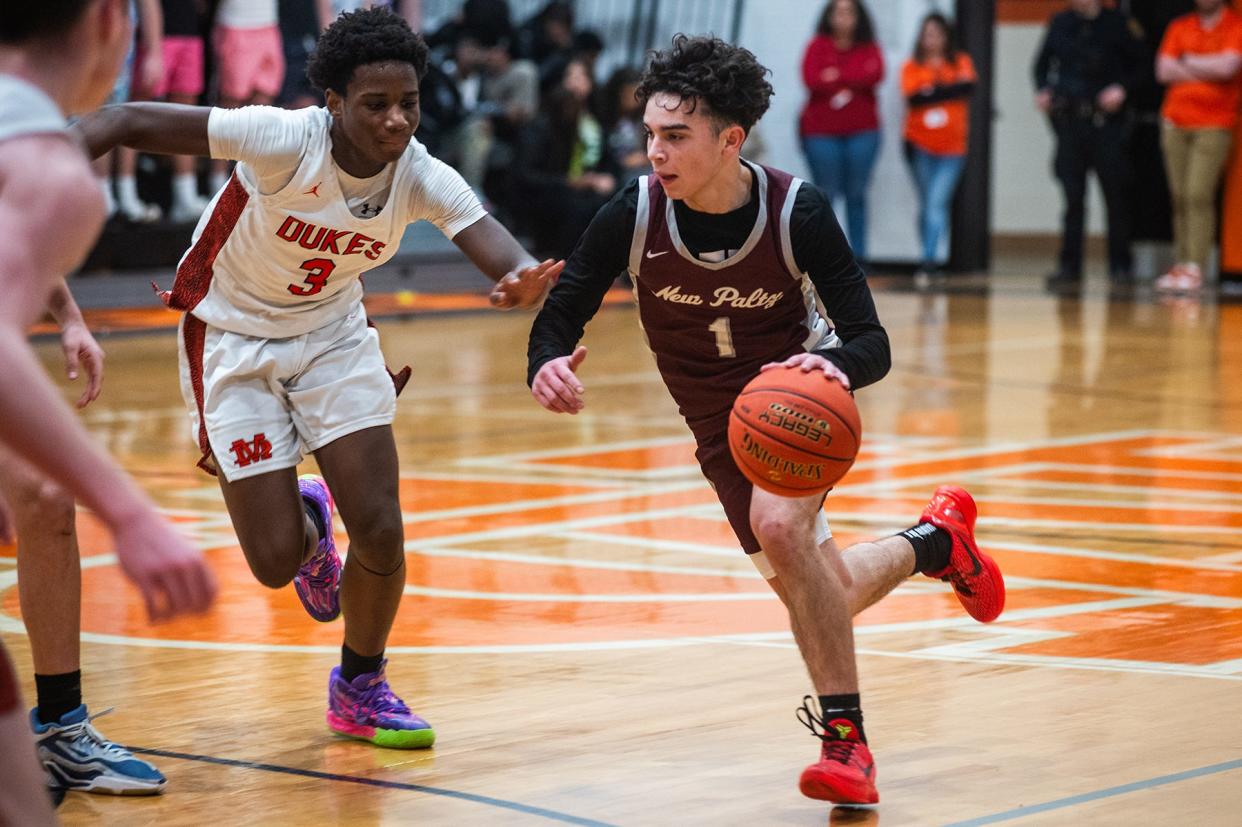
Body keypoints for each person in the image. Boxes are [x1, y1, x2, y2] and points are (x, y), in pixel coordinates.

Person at [527, 34, 1005, 805]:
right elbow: (561, 314)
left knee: (783, 530)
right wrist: (545, 361)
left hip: (796, 400)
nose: (656, 151)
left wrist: (837, 367)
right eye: (650, 133)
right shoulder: (635, 212)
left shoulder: (795, 212)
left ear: (730, 140)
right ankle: (935, 542)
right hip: (720, 428)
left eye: (676, 136)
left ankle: (846, 744)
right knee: (824, 593)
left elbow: (872, 341)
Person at [75, 7, 560, 749]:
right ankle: (306, 527)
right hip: (232, 335)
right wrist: (35, 157)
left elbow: (496, 246)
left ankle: (361, 681)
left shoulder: (419, 173)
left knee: (383, 525)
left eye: (409, 103)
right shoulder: (282, 138)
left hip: (333, 334)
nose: (397, 121)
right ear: (332, 103)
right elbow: (124, 120)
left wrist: (522, 280)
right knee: (273, 564)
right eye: (375, 104)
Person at [0, 0, 218, 821]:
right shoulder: (56, 175)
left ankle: (58, 726)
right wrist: (132, 513)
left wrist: (65, 314)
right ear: (108, 26)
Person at [1034, 0, 1148, 288]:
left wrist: (1122, 90)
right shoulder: (1061, 23)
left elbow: (1142, 67)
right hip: (1070, 122)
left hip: (1106, 123)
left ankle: (1120, 265)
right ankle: (1069, 266)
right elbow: (1040, 65)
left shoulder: (1117, 24)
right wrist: (1043, 90)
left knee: (1115, 197)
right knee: (1072, 198)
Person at [1153, 0, 1242, 294]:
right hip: (1175, 121)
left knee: (1197, 193)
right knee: (1178, 195)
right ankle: (1181, 262)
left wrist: (1187, 63)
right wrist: (1206, 67)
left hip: (1214, 123)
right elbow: (1163, 70)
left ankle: (1195, 266)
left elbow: (1228, 67)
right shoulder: (1181, 26)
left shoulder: (1234, 25)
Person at [798, 0, 884, 263]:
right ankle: (825, 257)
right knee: (826, 195)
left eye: (849, 12)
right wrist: (852, 76)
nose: (843, 18)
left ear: (859, 17)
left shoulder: (869, 47)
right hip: (820, 132)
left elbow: (875, 74)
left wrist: (835, 75)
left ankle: (859, 257)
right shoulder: (817, 46)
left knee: (856, 194)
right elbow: (811, 78)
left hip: (863, 132)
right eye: (838, 12)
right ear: (829, 16)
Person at [901, 13, 976, 284]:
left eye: (937, 33)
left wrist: (932, 91)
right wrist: (947, 90)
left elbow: (967, 87)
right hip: (920, 145)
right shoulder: (912, 65)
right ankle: (927, 253)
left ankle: (930, 260)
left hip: (952, 149)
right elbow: (914, 98)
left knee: (936, 202)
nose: (932, 39)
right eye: (927, 33)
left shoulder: (961, 61)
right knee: (926, 204)